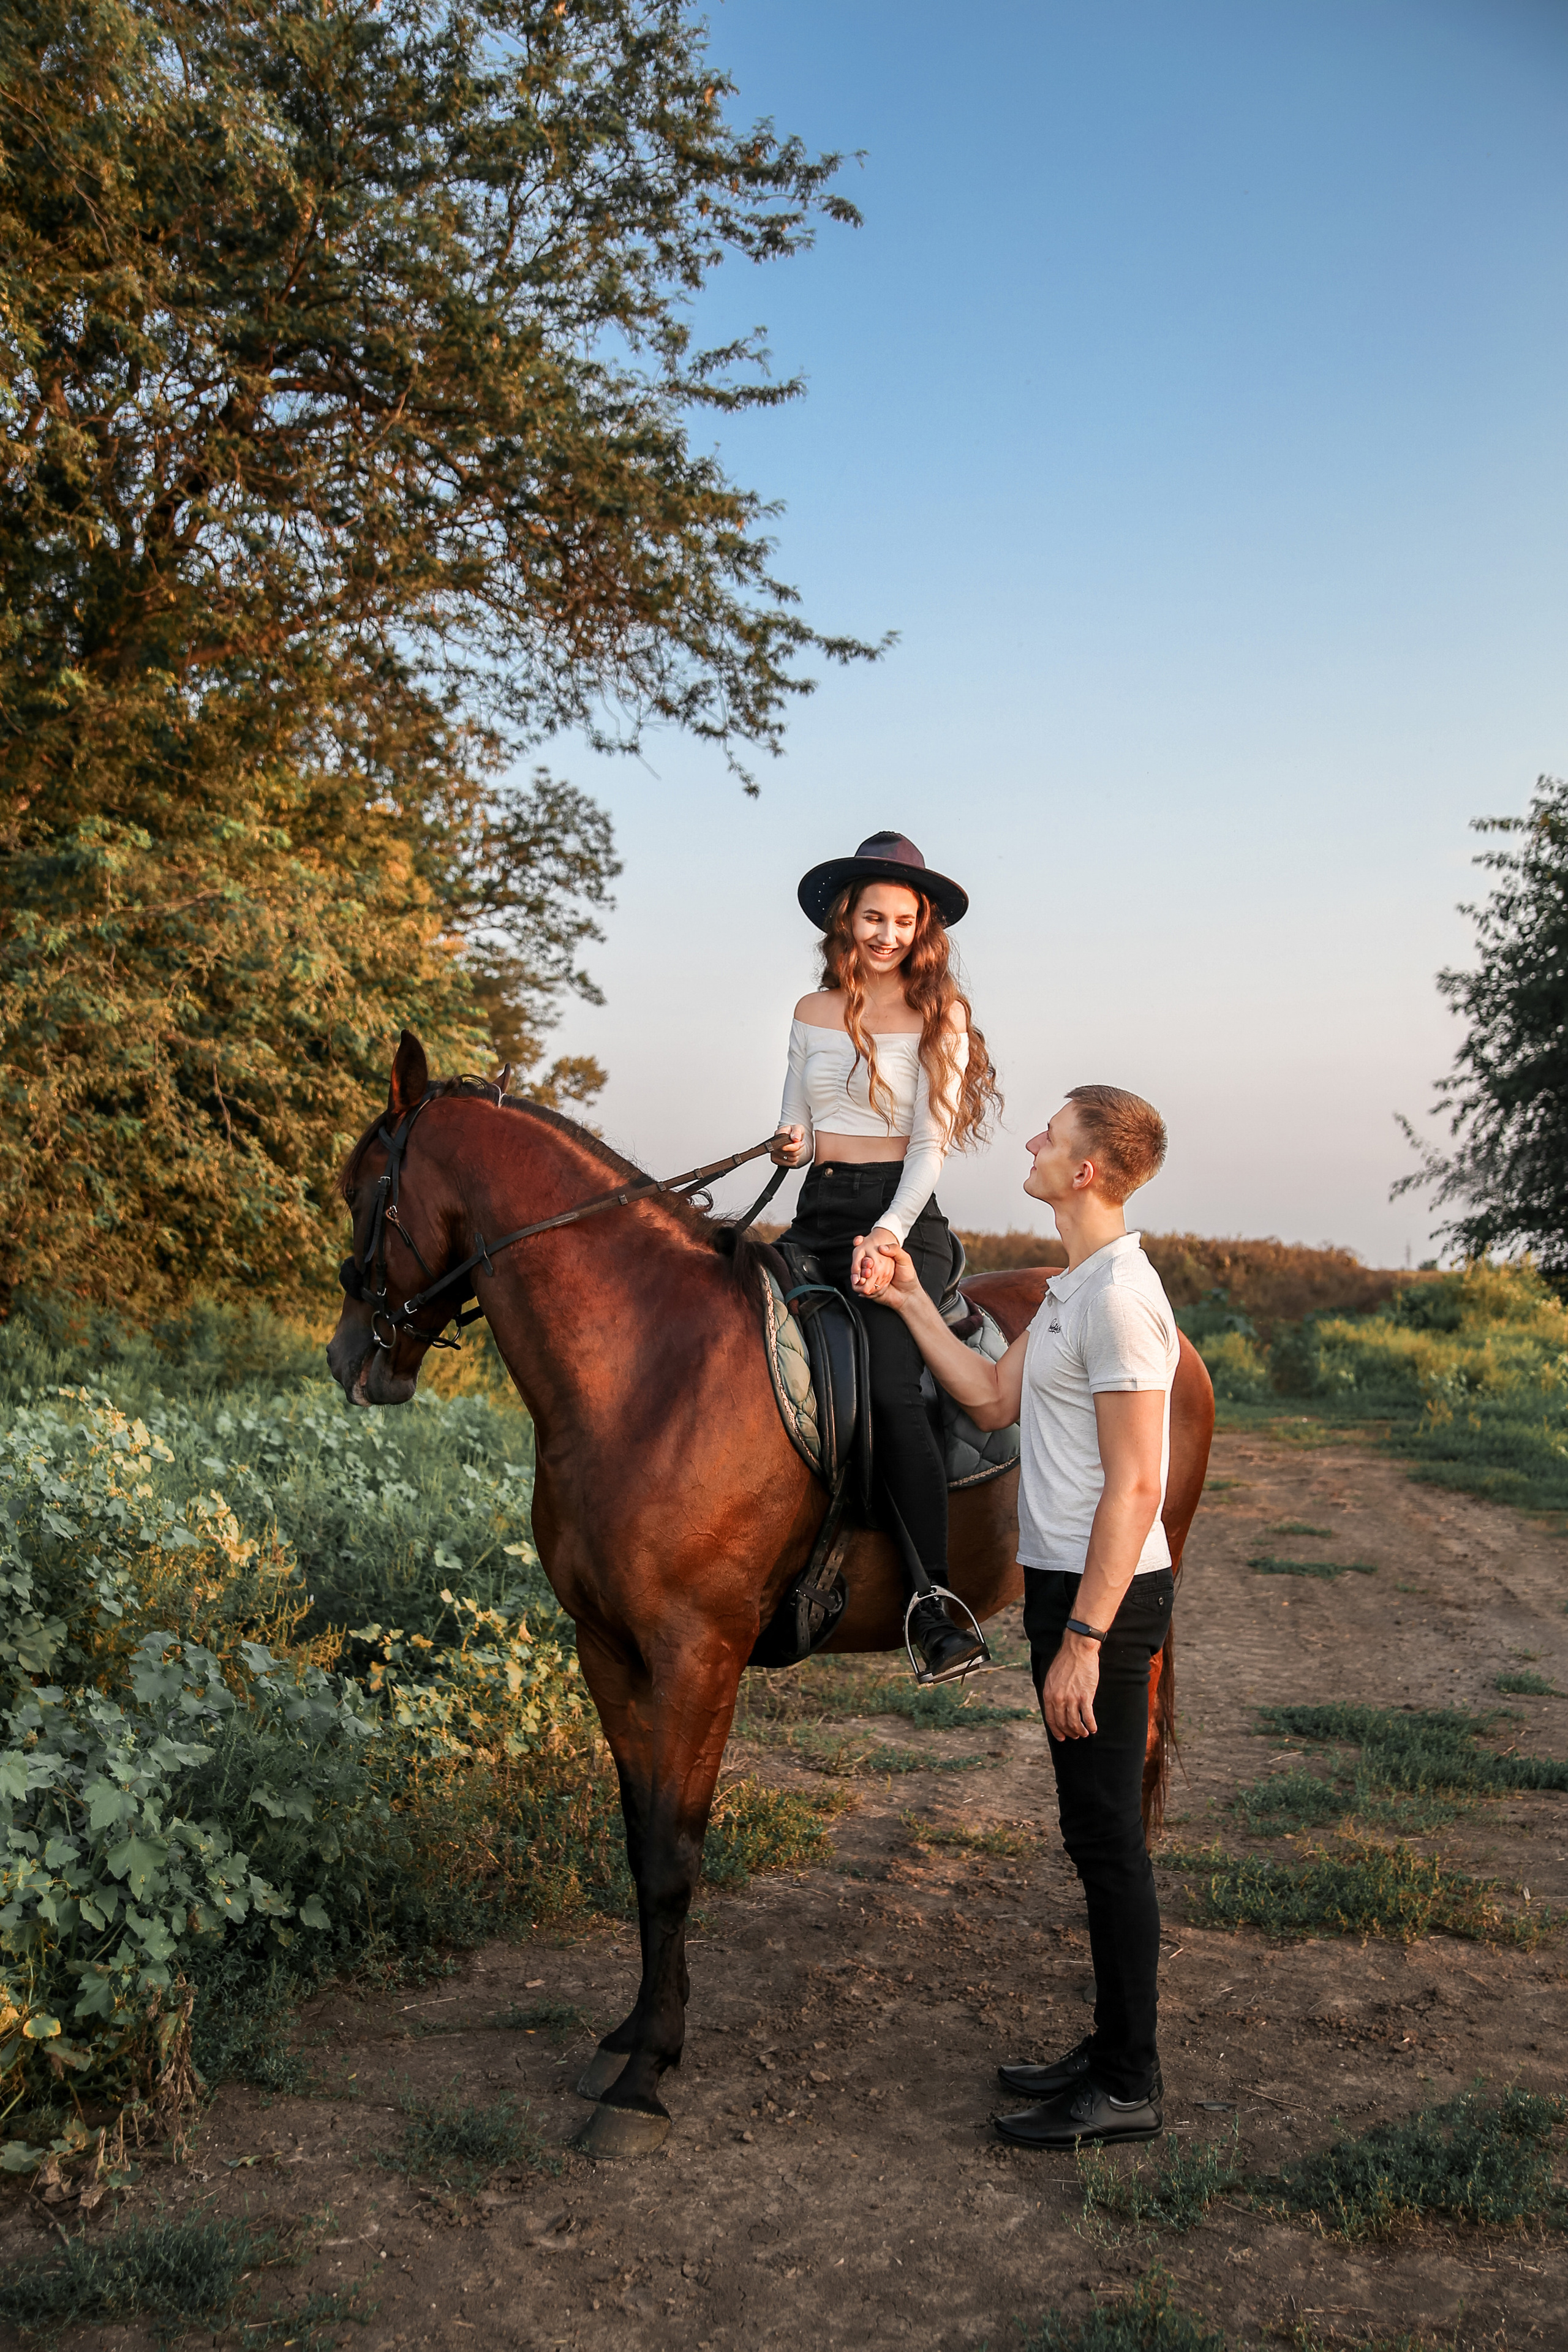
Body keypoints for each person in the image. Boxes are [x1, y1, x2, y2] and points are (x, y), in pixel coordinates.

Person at [871, 1085, 1178, 2146]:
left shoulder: (1119, 1300)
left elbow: (1136, 1489)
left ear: (1087, 1171)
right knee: (1093, 1838)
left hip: (1112, 1599)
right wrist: (912, 1296)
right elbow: (991, 1399)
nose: (1034, 1144)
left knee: (1110, 1843)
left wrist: (1087, 1640)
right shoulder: (1066, 1289)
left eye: (1052, 1135)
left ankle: (1129, 2085)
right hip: (1061, 1584)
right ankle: (1107, 2050)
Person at [771, 831, 1002, 1681]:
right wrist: (790, 1143)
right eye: (874, 916)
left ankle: (934, 1608)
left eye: (905, 921)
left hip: (902, 1217)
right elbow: (796, 1128)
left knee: (889, 1386)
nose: (887, 934)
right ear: (847, 918)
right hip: (817, 1212)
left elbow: (930, 1147)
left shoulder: (943, 1015)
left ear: (922, 928)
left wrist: (890, 1237)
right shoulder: (808, 1013)